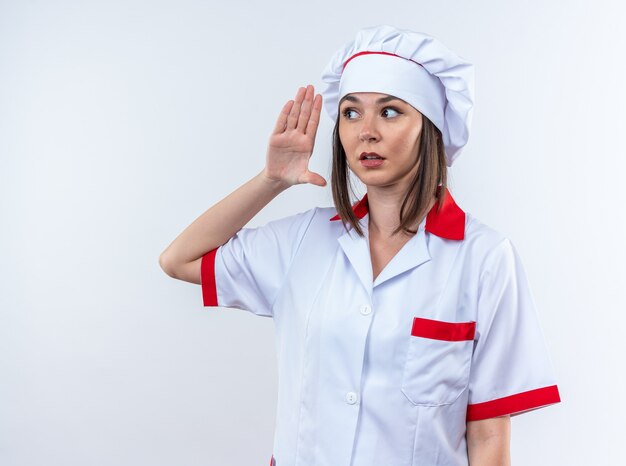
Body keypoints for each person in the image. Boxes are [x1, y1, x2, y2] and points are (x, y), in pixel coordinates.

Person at [159, 25, 561, 466]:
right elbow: (179, 259)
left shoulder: (483, 258)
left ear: (430, 128)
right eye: (351, 113)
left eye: (389, 112)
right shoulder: (303, 241)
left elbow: (487, 438)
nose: (365, 131)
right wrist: (271, 181)